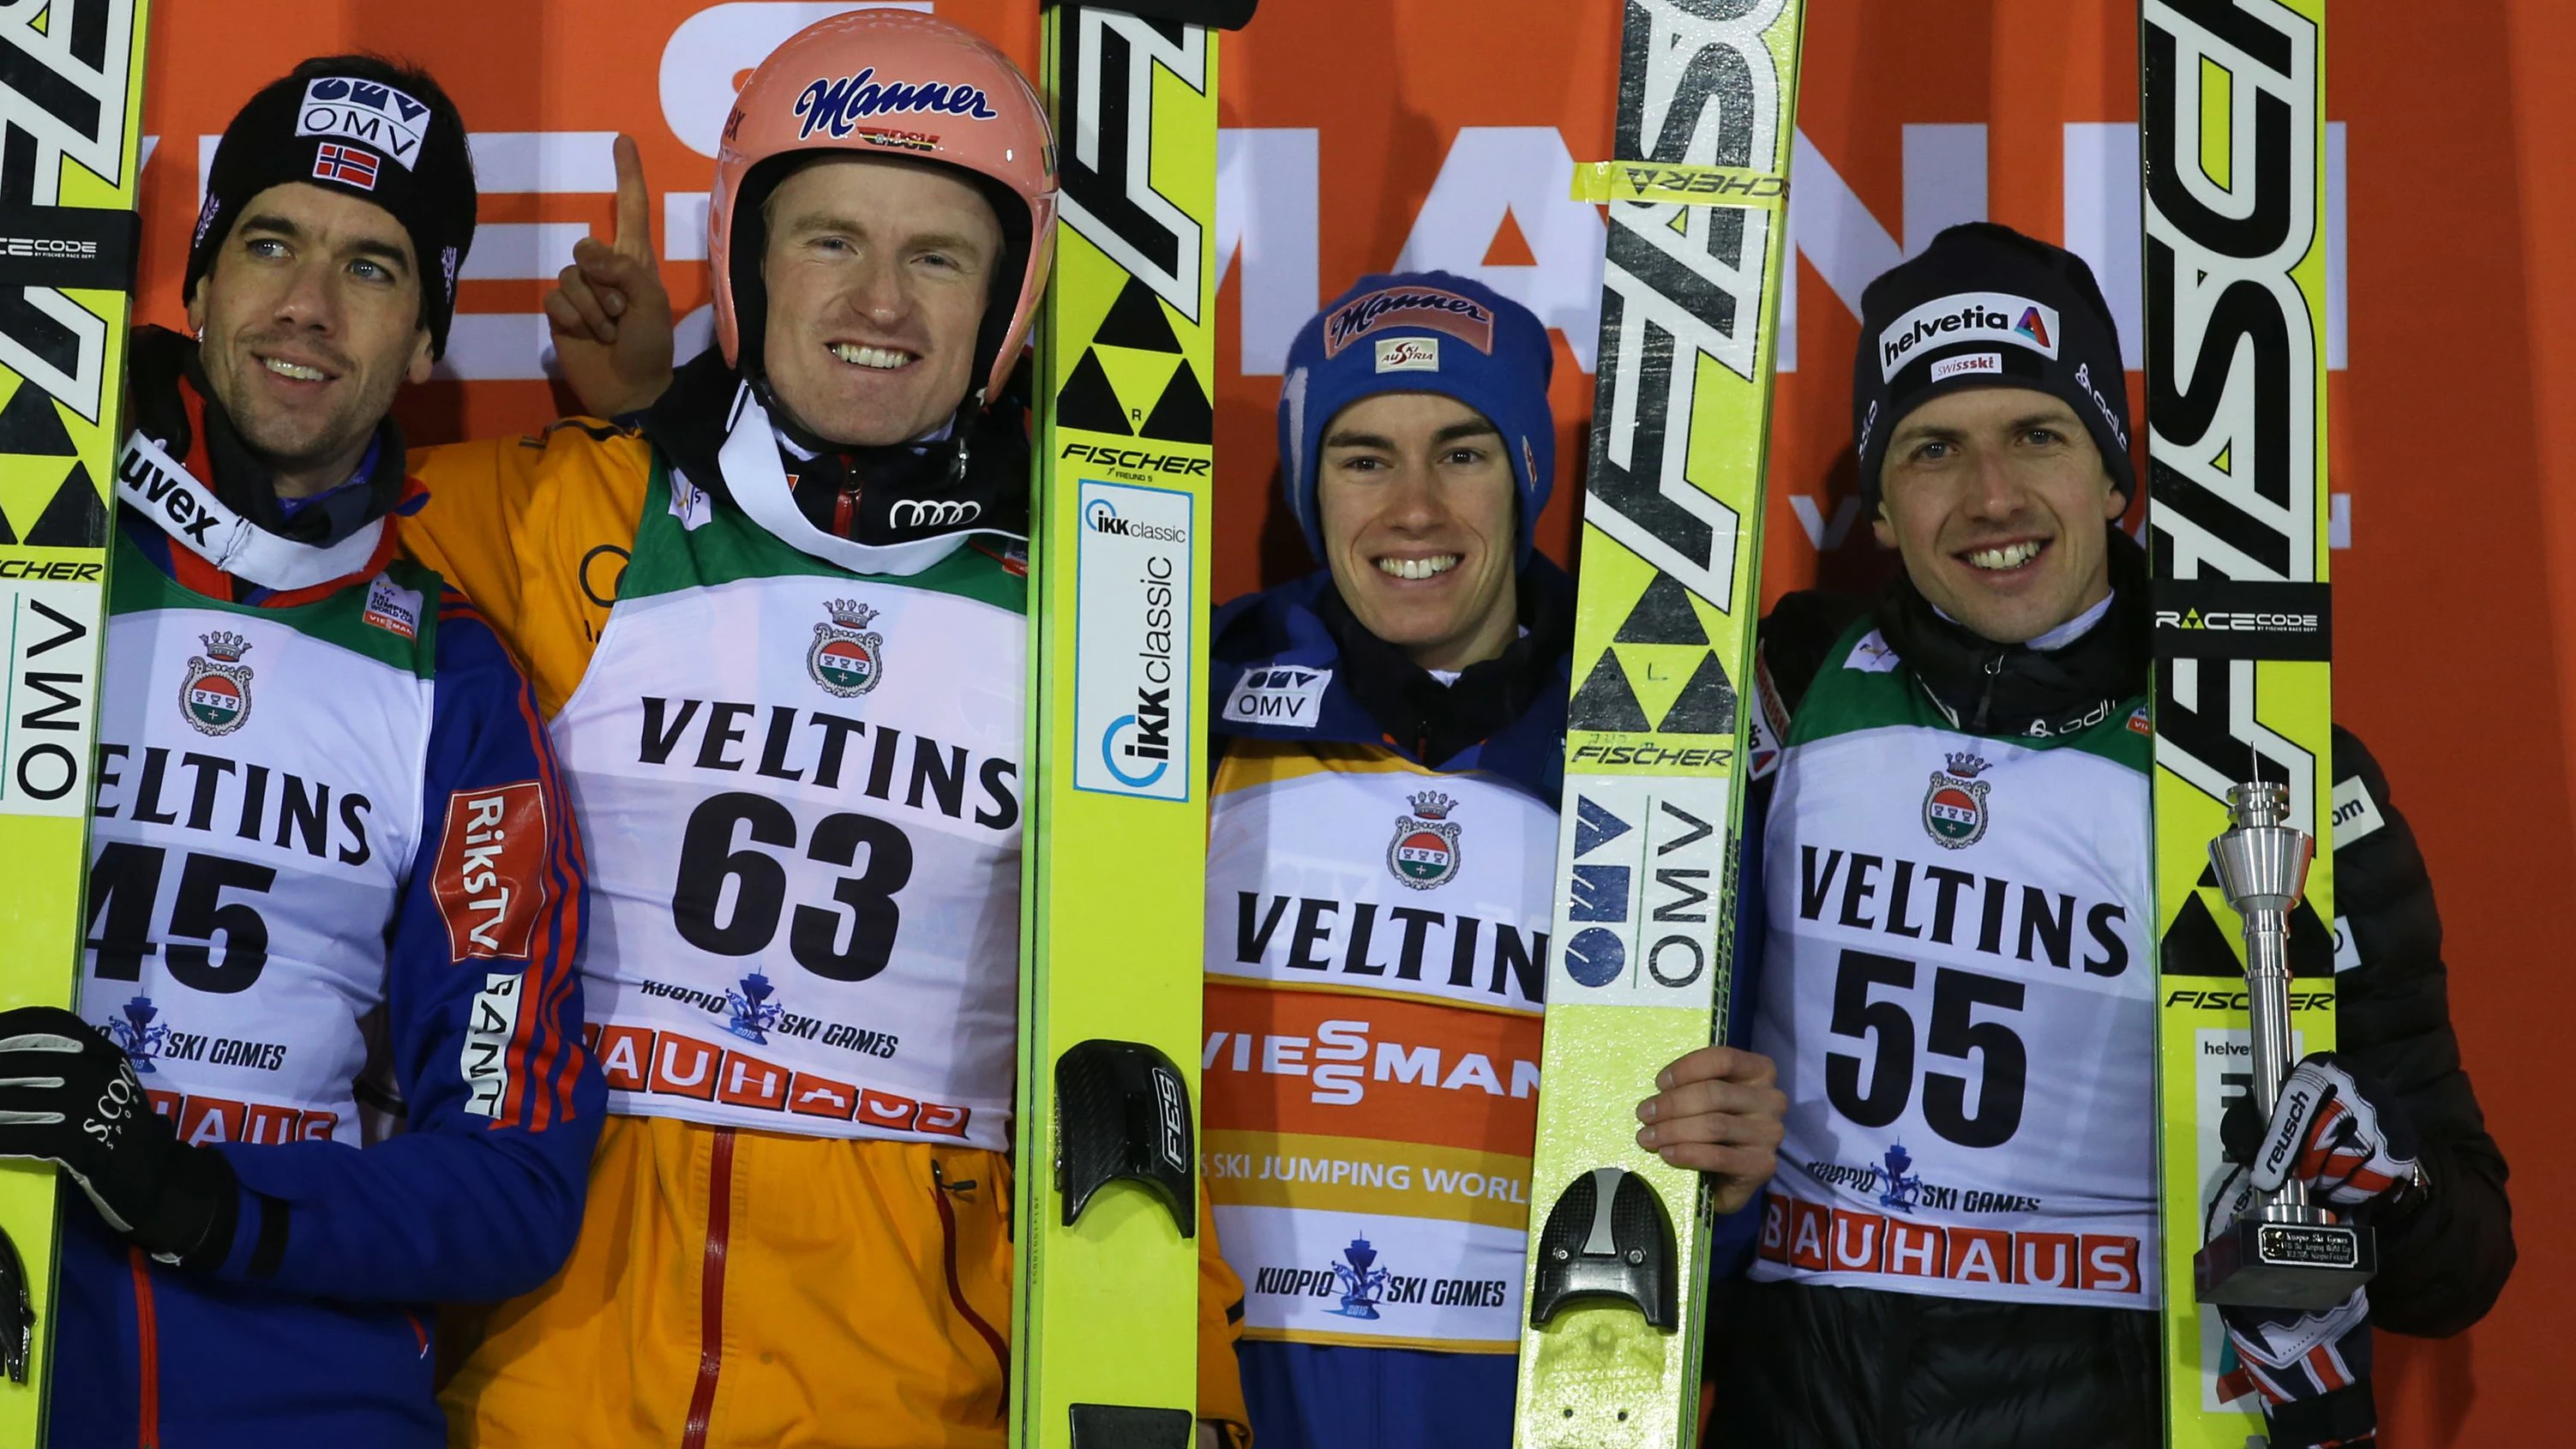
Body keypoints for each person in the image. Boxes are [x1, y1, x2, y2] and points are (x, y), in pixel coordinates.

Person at [396, 11, 1251, 1446]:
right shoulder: (565, 514)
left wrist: (1191, 1389)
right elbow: (269, 540)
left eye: (939, 255)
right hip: (546, 1385)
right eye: (830, 241)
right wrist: (653, 413)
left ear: (1011, 298)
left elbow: (1136, 1044)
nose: (885, 302)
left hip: (909, 1395)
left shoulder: (1102, 614)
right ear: (743, 263)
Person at [1642, 222, 2515, 1449]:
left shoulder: (2266, 763)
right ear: (1880, 506)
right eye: (1932, 447)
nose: (1991, 497)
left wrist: (2384, 1184)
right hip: (1799, 1411)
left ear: (2115, 477)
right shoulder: (1787, 684)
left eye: (2038, 436)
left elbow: (2463, 1263)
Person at [0, 57, 600, 1448]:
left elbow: (512, 1168)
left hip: (297, 1389)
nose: (309, 309)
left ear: (432, 340)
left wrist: (201, 1198)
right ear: (197, 288)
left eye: (375, 267)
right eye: (268, 243)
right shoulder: (42, 568)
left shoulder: (456, 684)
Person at [1203, 271, 1789, 1448]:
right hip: (1235, 1407)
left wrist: (1726, 1181)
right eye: (1363, 457)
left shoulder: (1654, 746)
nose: (1413, 510)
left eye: (1461, 453)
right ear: (1311, 483)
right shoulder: (1199, 699)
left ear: (1528, 469)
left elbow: (1698, 1183)